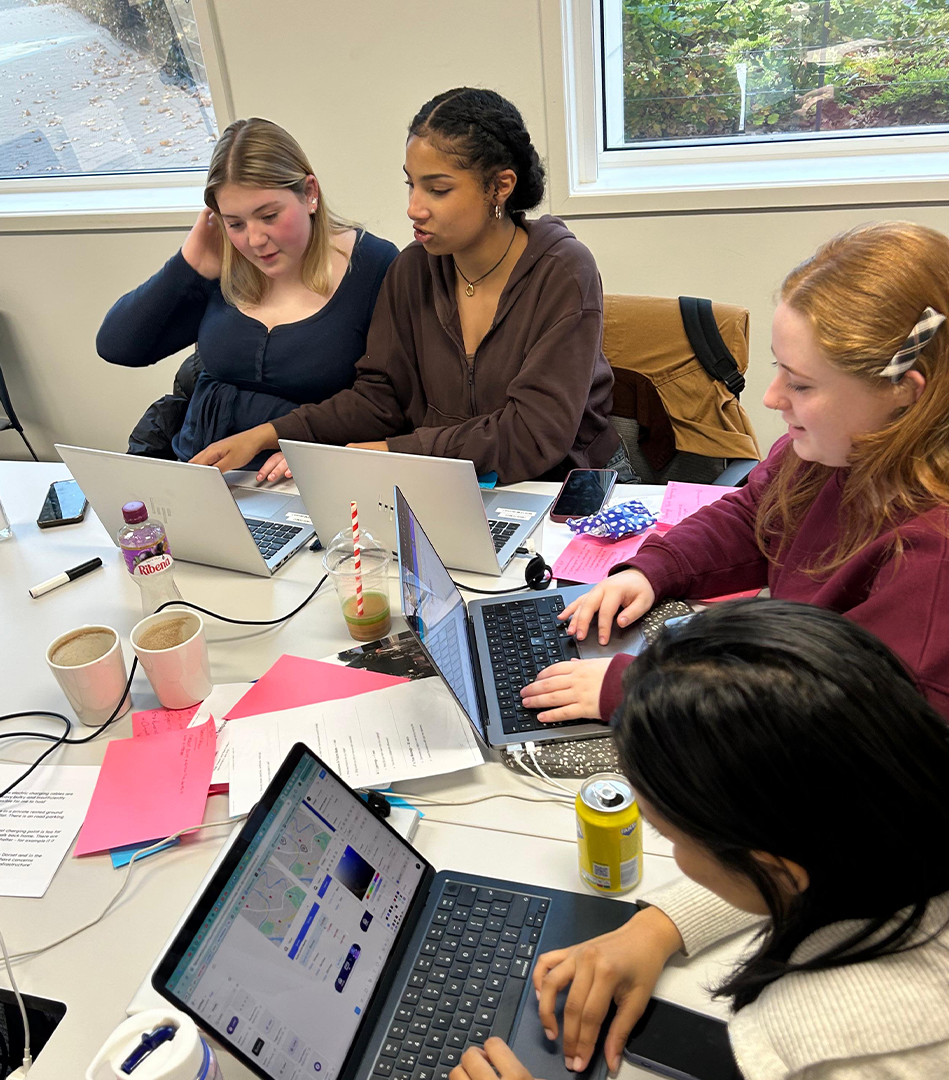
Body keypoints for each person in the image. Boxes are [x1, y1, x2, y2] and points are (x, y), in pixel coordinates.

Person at [454, 601, 949, 1080]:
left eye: (668, 833)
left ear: (775, 866)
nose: (673, 851)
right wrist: (659, 926)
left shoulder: (835, 1049)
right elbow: (822, 836)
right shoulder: (905, 796)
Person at [520, 220, 949, 722]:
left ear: (905, 391)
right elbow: (755, 514)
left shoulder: (931, 558)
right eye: (780, 369)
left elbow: (839, 716)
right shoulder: (836, 453)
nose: (772, 398)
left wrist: (639, 689)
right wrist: (653, 569)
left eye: (803, 385)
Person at [189, 88, 634, 485]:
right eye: (410, 184)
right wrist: (270, 435)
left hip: (565, 485)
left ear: (500, 187)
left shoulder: (563, 271)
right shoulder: (412, 270)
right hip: (446, 482)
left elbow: (532, 436)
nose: (413, 208)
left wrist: (392, 454)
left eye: (437, 190)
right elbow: (381, 399)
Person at [97, 118, 398, 465]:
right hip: (200, 471)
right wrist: (186, 264)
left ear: (309, 193)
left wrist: (312, 447)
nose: (254, 241)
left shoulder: (373, 266)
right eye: (235, 223)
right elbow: (118, 346)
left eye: (269, 216)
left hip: (307, 477)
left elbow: (387, 401)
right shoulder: (223, 264)